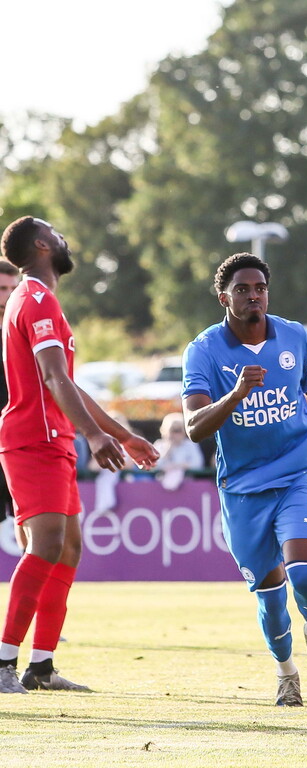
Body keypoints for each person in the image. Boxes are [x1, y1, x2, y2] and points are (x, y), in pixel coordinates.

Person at [181, 252, 307, 707]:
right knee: (270, 600)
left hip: (294, 476)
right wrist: (236, 394)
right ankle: (286, 673)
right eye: (243, 289)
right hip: (242, 491)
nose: (254, 296)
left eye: (260, 288)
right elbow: (194, 427)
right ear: (223, 296)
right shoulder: (204, 350)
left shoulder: (293, 335)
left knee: (305, 573)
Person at [0, 216, 159, 694]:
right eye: (58, 233)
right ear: (45, 245)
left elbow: (67, 383)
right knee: (45, 545)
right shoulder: (36, 299)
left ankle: (41, 666)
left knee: (68, 549)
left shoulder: (39, 300)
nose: (66, 238)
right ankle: (3, 661)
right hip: (33, 440)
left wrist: (121, 434)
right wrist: (93, 435)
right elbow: (53, 380)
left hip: (55, 441)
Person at [0, 261, 20, 533]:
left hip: (18, 441)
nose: (8, 295)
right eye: (2, 288)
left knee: (25, 520)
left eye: (14, 289)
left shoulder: (22, 330)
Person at [153, 412, 204, 490]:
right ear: (165, 430)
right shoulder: (159, 445)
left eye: (178, 430)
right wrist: (168, 449)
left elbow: (198, 464)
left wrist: (178, 466)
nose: (175, 434)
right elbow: (154, 466)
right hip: (159, 488)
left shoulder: (190, 445)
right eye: (172, 430)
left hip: (187, 487)